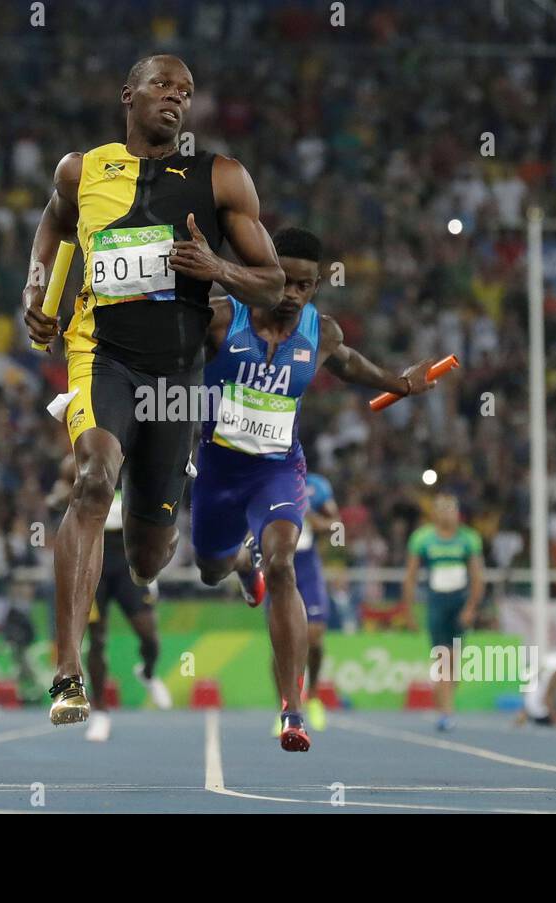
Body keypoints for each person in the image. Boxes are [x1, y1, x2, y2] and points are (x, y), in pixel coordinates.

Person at [22, 54, 285, 725]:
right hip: (100, 355)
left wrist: (215, 265)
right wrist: (35, 285)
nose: (176, 96)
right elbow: (52, 226)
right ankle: (66, 671)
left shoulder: (220, 178)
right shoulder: (80, 171)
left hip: (177, 379)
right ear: (128, 93)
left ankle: (210, 543)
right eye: (163, 85)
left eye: (188, 91)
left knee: (147, 555)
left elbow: (274, 283)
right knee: (92, 477)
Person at [192, 227, 437, 751]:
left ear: (318, 285)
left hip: (277, 472)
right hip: (217, 472)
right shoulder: (220, 317)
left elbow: (347, 364)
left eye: (305, 286)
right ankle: (239, 566)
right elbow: (163, 349)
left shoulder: (319, 332)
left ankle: (292, 710)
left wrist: (400, 383)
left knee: (281, 562)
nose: (292, 295)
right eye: (285, 283)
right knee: (211, 567)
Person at [47, 455, 173, 743]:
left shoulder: (143, 455)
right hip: (94, 556)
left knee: (148, 634)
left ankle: (148, 671)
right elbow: (56, 497)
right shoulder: (78, 460)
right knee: (97, 639)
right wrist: (63, 496)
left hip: (130, 554)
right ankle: (101, 712)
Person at [401, 493, 484, 731]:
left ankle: (446, 706)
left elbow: (478, 577)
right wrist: (409, 612)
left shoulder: (469, 538)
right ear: (434, 512)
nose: (447, 513)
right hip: (437, 602)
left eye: (451, 508)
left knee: (454, 661)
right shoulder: (422, 539)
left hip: (460, 601)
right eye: (442, 508)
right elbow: (410, 577)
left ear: (457, 512)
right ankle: (446, 711)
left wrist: (471, 608)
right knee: (442, 657)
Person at [267, 471, 338, 737]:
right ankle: (284, 709)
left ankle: (315, 695)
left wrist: (306, 514)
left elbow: (336, 526)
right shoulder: (266, 479)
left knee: (315, 635)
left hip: (306, 565)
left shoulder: (316, 486)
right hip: (275, 562)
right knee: (282, 640)